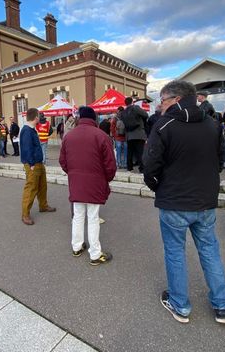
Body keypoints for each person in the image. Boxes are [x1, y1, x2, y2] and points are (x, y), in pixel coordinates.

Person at [143, 80, 225, 325]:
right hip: (204, 201)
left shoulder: (164, 125)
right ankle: (223, 305)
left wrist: (158, 187)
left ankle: (180, 304)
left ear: (175, 99)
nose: (160, 106)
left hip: (174, 200)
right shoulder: (212, 124)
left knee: (175, 252)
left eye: (162, 100)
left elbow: (150, 166)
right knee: (209, 250)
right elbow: (219, 162)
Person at [59, 106, 116, 265]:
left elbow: (63, 161)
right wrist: (106, 179)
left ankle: (76, 246)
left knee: (78, 216)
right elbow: (110, 165)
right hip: (95, 183)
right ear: (94, 119)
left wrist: (73, 174)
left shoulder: (69, 136)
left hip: (76, 183)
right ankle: (95, 254)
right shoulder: (101, 136)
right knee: (93, 217)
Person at [19, 108, 56, 225]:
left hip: (38, 163)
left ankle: (43, 205)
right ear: (36, 118)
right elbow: (26, 148)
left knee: (42, 186)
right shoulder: (27, 131)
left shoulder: (31, 129)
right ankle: (25, 214)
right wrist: (31, 164)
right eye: (38, 116)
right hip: (33, 164)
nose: (40, 118)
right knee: (31, 188)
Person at [121, 96, 148, 172]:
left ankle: (129, 167)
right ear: (132, 102)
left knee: (130, 152)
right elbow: (145, 115)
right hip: (138, 133)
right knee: (140, 151)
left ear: (125, 103)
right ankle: (142, 168)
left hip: (129, 135)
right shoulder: (136, 108)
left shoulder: (123, 112)